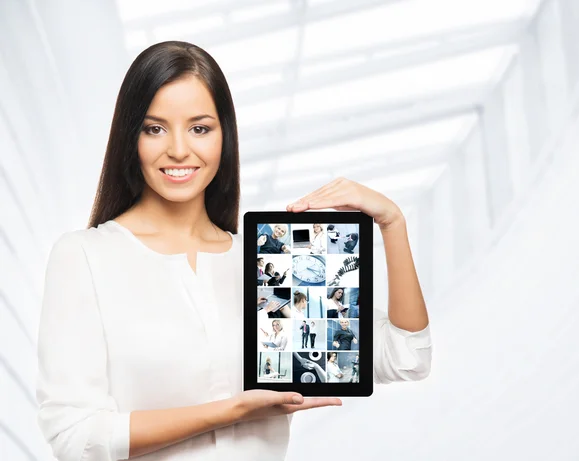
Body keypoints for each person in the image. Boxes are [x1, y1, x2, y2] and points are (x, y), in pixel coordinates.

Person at [36, 41, 431, 461]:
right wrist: (232, 411)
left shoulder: (272, 264)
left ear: (225, 134)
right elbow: (75, 437)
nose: (178, 150)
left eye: (199, 128)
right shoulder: (85, 256)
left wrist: (392, 223)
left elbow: (406, 358)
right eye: (154, 128)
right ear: (129, 137)